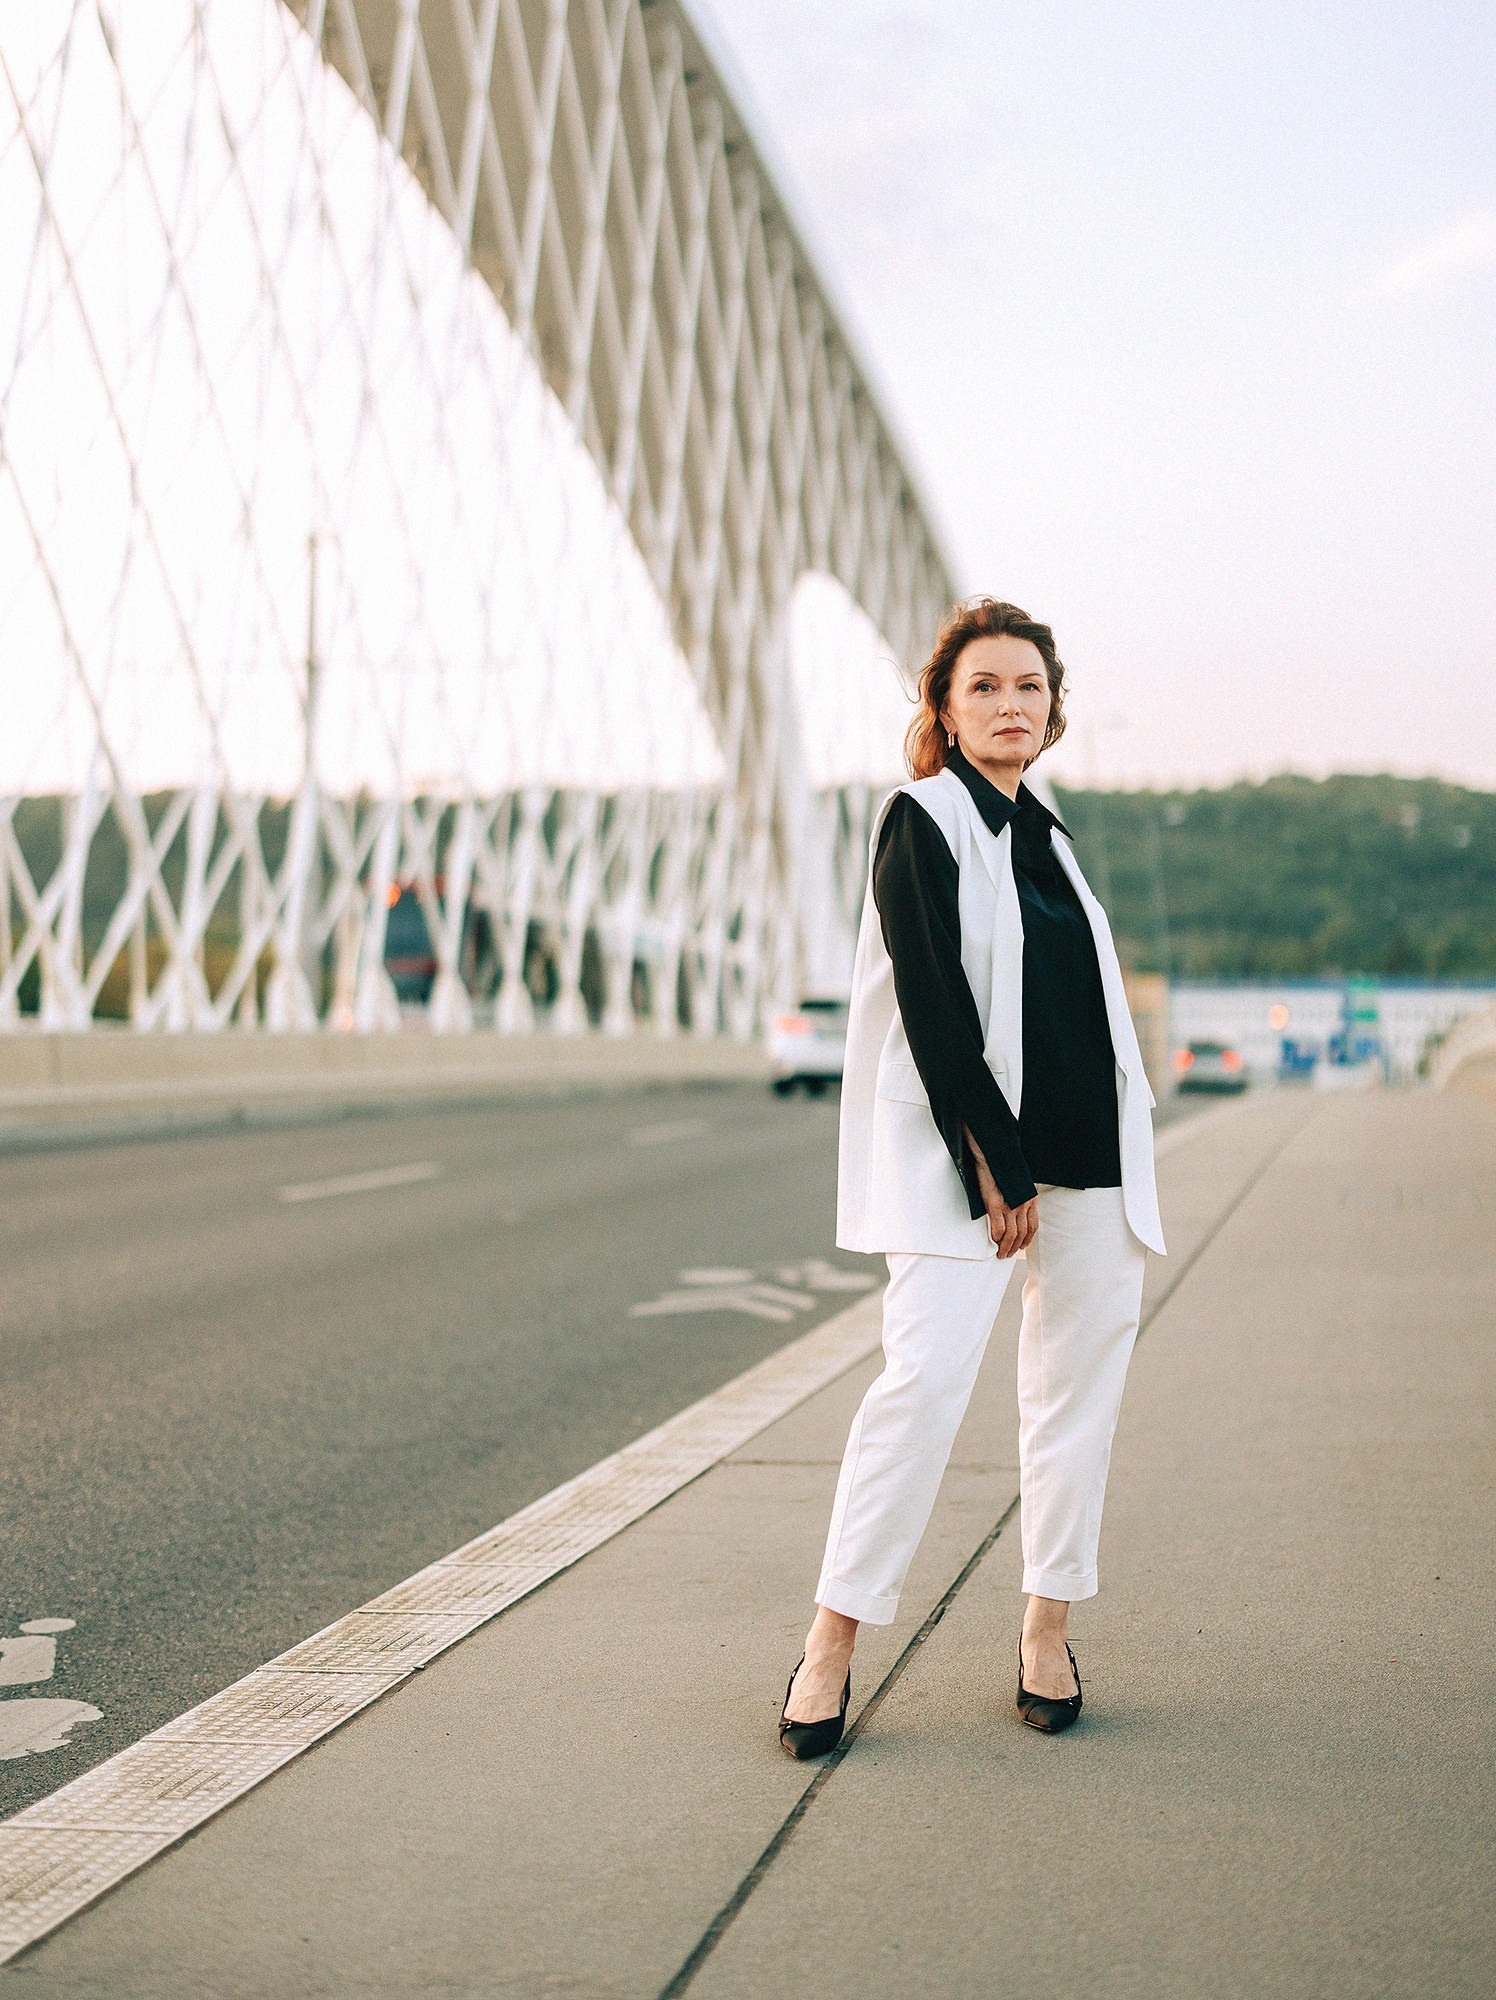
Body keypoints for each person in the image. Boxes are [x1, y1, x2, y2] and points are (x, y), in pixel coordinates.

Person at [778, 597, 1165, 1757]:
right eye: (985, 686)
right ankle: (829, 1643)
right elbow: (935, 998)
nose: (1010, 704)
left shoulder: (1049, 839)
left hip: (1089, 1154)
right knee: (922, 1384)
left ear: (1053, 713)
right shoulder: (922, 818)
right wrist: (990, 1157)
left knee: (1073, 1396)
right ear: (943, 710)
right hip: (970, 1159)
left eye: (1029, 688)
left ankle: (1045, 1626)